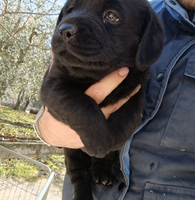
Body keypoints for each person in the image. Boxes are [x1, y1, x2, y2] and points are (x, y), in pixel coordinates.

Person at [34, 0, 195, 199]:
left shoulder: (142, 17)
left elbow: (135, 97)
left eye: (112, 16)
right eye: (71, 10)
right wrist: (46, 128)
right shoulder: (146, 8)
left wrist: (107, 141)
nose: (68, 26)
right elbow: (51, 92)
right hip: (85, 183)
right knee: (76, 166)